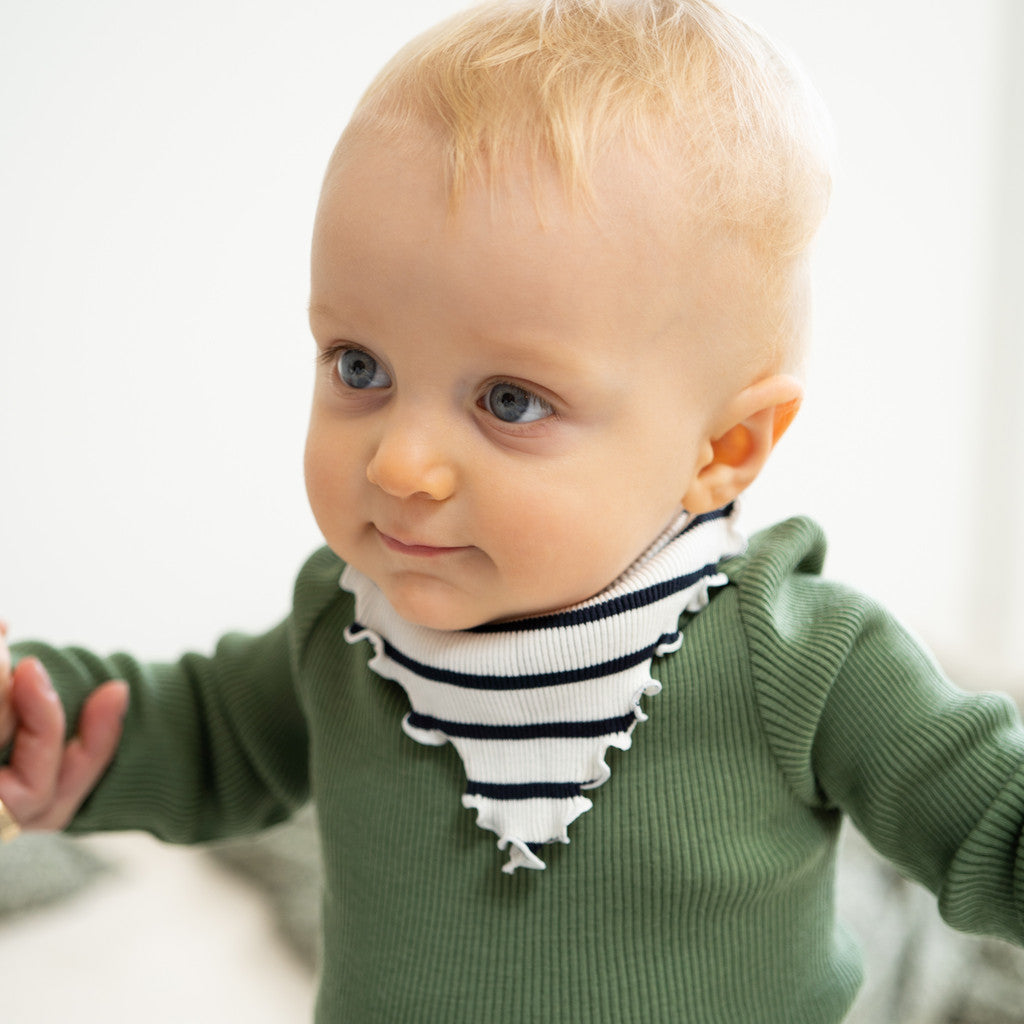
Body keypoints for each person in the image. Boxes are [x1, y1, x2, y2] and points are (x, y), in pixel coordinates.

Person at [2, 1, 1022, 1020]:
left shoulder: (799, 658)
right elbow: (207, 731)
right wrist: (35, 718)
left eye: (509, 402)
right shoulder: (348, 627)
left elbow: (989, 818)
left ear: (722, 449)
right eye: (359, 367)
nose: (401, 463)